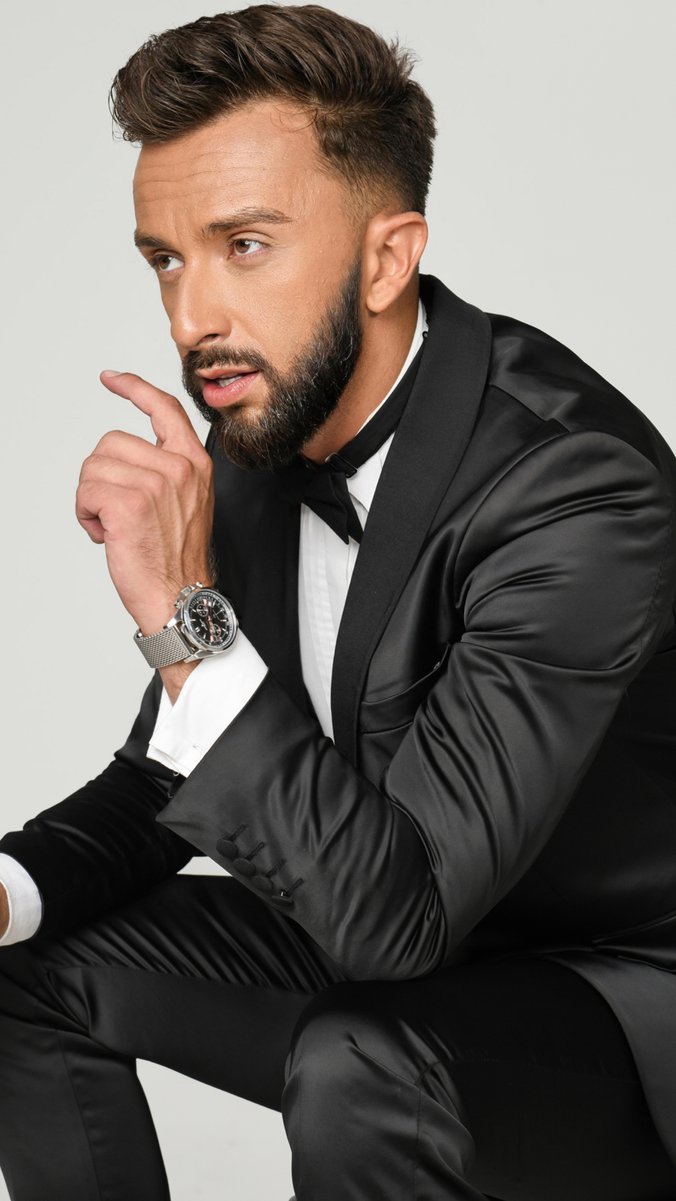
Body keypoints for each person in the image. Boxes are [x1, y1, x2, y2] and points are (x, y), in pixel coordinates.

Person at [1, 5, 675, 1199]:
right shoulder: (262, 437)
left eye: (244, 244)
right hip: (397, 933)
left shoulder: (575, 487)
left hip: (617, 1006)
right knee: (21, 960)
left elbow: (394, 925)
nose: (191, 319)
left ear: (385, 257)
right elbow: (173, 775)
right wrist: (8, 887)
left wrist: (182, 607)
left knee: (361, 1061)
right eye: (166, 258)